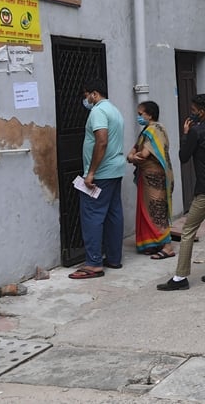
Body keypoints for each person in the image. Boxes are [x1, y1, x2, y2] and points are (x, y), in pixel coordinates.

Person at [157, 94, 205, 291]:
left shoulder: (196, 133)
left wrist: (185, 134)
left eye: (193, 109)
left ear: (201, 111)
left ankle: (180, 277)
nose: (191, 113)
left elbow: (183, 157)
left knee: (188, 230)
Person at [69, 78, 126, 279]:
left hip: (101, 173)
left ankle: (93, 263)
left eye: (86, 96)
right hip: (115, 170)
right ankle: (113, 257)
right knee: (113, 214)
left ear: (94, 94)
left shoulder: (98, 111)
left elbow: (101, 141)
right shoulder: (114, 110)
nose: (85, 100)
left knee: (92, 215)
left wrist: (91, 172)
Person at [127, 101, 176, 260]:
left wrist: (132, 158)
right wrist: (133, 156)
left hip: (154, 177)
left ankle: (167, 246)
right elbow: (134, 150)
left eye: (140, 114)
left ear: (149, 114)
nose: (138, 117)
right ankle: (153, 243)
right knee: (148, 209)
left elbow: (143, 155)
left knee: (156, 210)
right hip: (149, 176)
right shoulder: (149, 130)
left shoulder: (154, 131)